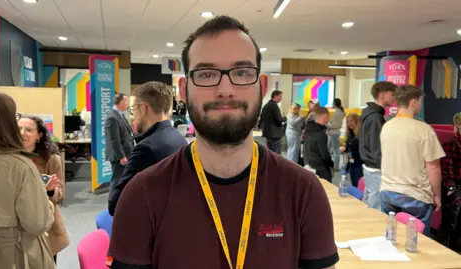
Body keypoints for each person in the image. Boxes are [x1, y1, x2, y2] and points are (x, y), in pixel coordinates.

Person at [107, 16, 338, 269]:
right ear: (184, 90)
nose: (225, 89)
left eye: (241, 72)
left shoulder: (304, 191)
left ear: (261, 86)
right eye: (206, 74)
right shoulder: (142, 195)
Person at [0, 91, 55, 269]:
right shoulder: (20, 166)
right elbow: (38, 223)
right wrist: (48, 204)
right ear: (7, 122)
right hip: (13, 255)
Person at [108, 82, 188, 216]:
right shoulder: (179, 139)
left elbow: (115, 204)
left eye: (134, 109)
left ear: (143, 108)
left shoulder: (146, 149)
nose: (133, 115)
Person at [379, 85, 444, 235]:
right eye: (420, 101)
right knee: (416, 244)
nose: (420, 105)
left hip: (388, 192)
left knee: (392, 239)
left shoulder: (387, 126)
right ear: (413, 102)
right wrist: (437, 196)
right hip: (415, 195)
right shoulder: (423, 130)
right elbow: (433, 167)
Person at [18, 115, 70, 261]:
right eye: (19, 129)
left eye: (28, 130)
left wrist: (51, 190)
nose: (22, 133)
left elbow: (59, 196)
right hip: (18, 225)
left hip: (46, 223)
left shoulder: (51, 159)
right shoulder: (10, 158)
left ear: (39, 135)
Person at [358, 81, 396, 210]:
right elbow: (376, 148)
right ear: (381, 95)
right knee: (376, 210)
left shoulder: (371, 115)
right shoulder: (375, 118)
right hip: (376, 170)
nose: (394, 97)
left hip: (370, 168)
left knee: (370, 205)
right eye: (392, 94)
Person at [436, 112, 461, 251]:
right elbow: (447, 169)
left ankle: (455, 246)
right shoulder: (450, 144)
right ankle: (441, 245)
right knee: (451, 219)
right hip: (453, 186)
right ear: (458, 126)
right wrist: (451, 188)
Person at [105, 93, 135, 189]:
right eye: (126, 102)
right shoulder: (112, 117)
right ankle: (113, 202)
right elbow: (114, 140)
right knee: (117, 181)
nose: (128, 104)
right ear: (121, 103)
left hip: (125, 154)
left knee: (122, 181)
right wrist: (121, 156)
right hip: (119, 158)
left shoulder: (120, 115)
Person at [303, 107, 334, 182]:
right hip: (321, 169)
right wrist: (331, 164)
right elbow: (324, 155)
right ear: (325, 116)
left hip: (309, 165)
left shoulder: (307, 130)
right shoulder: (321, 134)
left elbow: (305, 148)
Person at [340, 113, 363, 188]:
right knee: (354, 184)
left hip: (360, 164)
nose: (349, 123)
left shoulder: (361, 135)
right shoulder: (349, 135)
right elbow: (349, 149)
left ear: (357, 121)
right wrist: (345, 149)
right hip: (351, 164)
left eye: (351, 121)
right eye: (347, 121)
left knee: (358, 185)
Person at [326, 98, 346, 170]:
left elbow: (334, 124)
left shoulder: (336, 113)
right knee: (332, 149)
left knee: (335, 150)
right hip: (335, 132)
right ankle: (334, 165)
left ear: (334, 104)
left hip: (333, 132)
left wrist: (326, 124)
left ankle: (335, 166)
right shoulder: (341, 112)